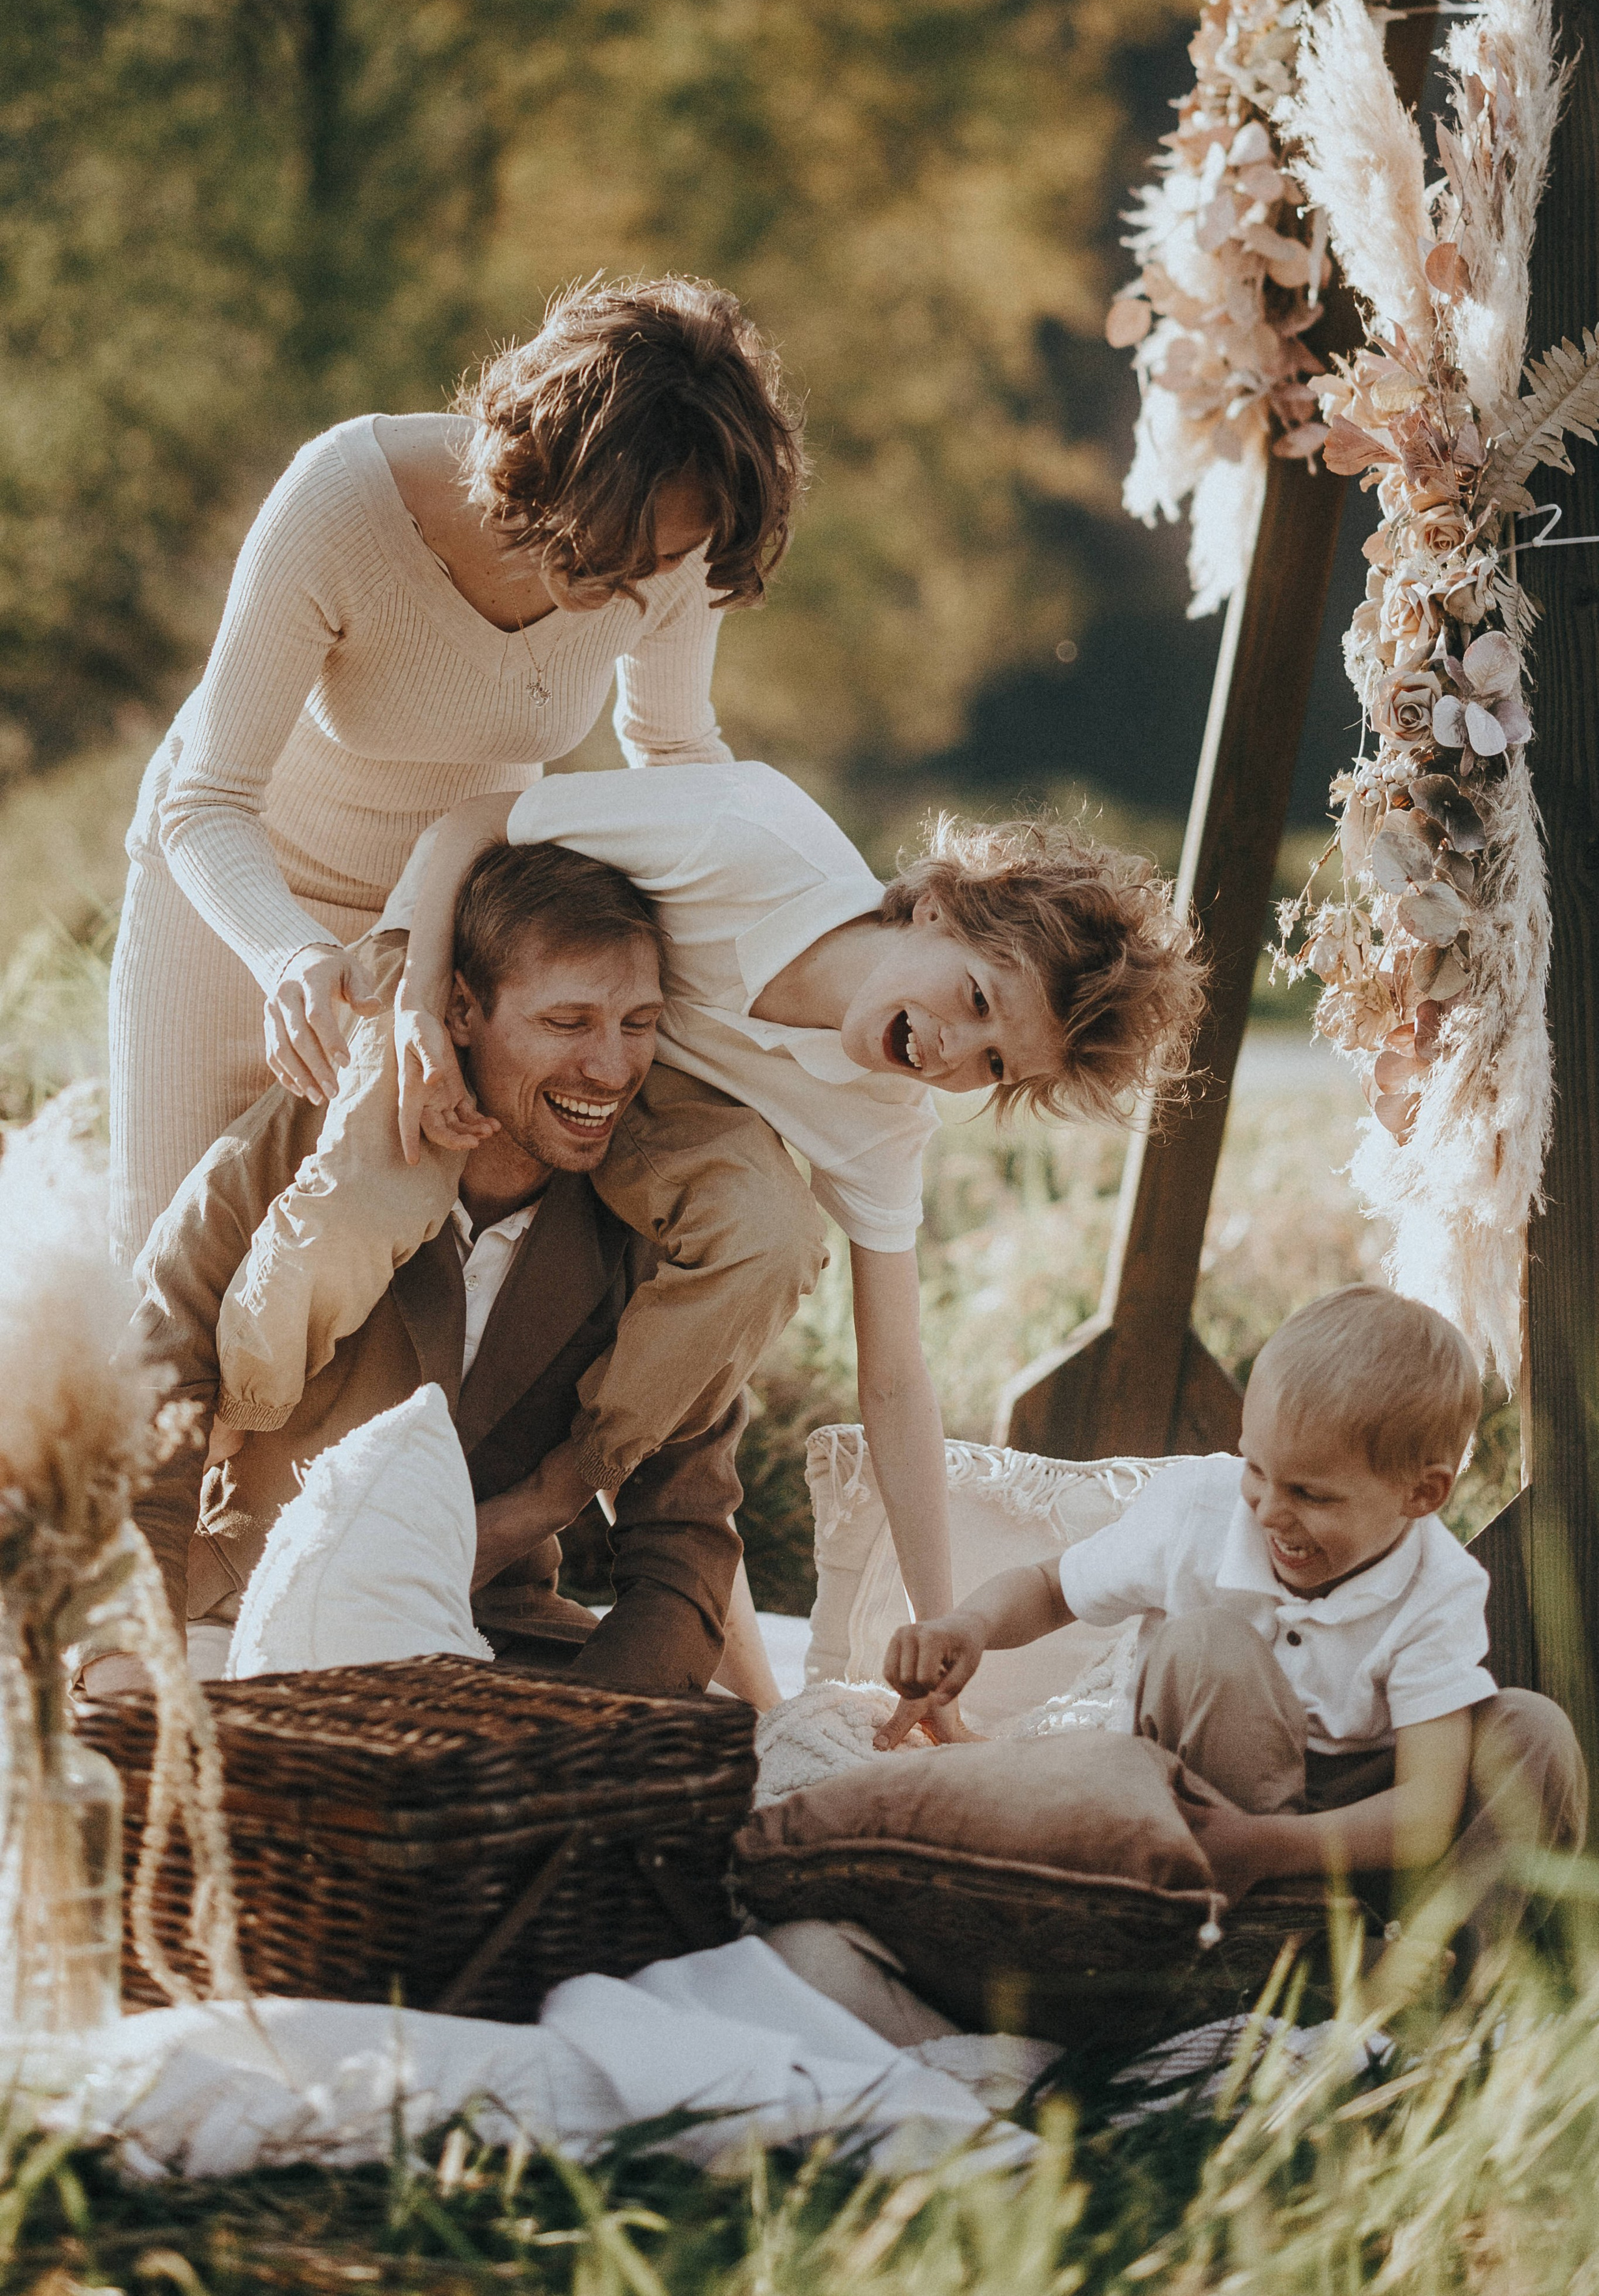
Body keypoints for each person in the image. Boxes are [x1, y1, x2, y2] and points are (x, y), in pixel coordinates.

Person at [205, 760, 1205, 1708]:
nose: (951, 1052)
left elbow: (896, 1375)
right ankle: (234, 1439)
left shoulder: (883, 1121)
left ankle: (560, 1490)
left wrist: (939, 1621)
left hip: (628, 1084)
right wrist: (422, 1009)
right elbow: (475, 824)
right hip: (470, 979)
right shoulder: (749, 836)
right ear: (940, 908)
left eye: (992, 1065)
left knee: (771, 1230)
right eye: (977, 998)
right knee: (376, 1192)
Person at [107, 275, 804, 1266]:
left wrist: (806, 925)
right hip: (238, 908)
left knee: (341, 1301)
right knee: (162, 1274)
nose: (657, 582)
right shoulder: (342, 501)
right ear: (561, 479)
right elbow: (206, 800)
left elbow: (676, 756)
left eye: (679, 554)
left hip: (440, 936)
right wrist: (292, 958)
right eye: (633, 551)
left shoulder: (679, 536)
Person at [86, 839, 824, 1701]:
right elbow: (147, 1401)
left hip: (489, 1635)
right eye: (568, 1021)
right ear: (463, 1010)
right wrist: (125, 1662)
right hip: (236, 1617)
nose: (612, 1066)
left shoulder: (658, 1231)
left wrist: (604, 1727)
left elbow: (684, 1535)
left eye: (638, 1023)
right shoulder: (312, 1150)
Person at [878, 1285, 1586, 1951]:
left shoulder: (1440, 1587)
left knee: (1532, 1731)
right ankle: (1288, 1945)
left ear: (1421, 1495)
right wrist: (968, 1625)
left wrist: (1272, 1844)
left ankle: (1453, 1977)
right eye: (1257, 1468)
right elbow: (1051, 1588)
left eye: (1311, 1493)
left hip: (1352, 1824)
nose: (1271, 1511)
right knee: (1206, 1640)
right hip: (1202, 1802)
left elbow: (1426, 1810)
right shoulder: (1200, 1509)